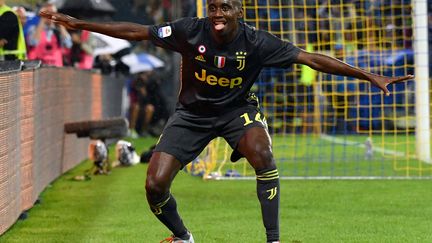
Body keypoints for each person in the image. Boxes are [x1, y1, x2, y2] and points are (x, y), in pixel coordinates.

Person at [39, 0, 413, 242]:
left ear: (240, 13)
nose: (218, 14)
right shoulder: (190, 30)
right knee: (154, 185)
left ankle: (273, 239)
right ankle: (183, 237)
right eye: (214, 7)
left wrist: (369, 75)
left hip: (237, 112)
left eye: (226, 8)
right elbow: (138, 32)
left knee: (264, 156)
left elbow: (311, 59)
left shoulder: (258, 42)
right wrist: (80, 24)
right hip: (191, 116)